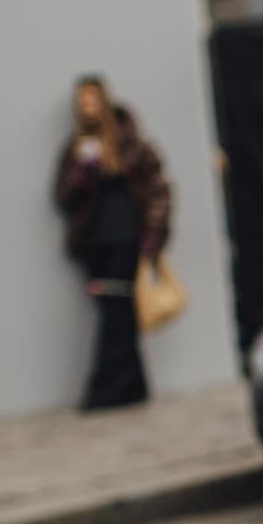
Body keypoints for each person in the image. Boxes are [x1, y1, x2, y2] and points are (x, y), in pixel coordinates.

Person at [53, 75, 170, 411]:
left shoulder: (130, 143)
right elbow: (63, 197)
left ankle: (106, 390)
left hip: (126, 242)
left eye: (92, 99)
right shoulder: (75, 149)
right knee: (117, 314)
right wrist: (82, 171)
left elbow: (158, 190)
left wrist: (154, 236)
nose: (86, 107)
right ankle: (132, 387)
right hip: (95, 246)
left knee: (117, 316)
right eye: (81, 101)